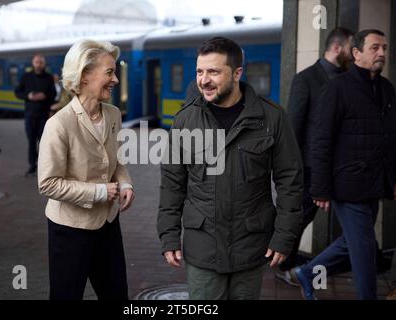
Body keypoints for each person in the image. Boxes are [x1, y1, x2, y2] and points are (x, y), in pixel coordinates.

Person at [157, 37, 303, 300]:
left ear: (237, 73)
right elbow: (172, 183)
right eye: (200, 72)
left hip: (250, 246)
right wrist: (168, 235)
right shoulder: (184, 121)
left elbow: (290, 180)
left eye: (213, 71)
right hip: (203, 248)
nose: (204, 80)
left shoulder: (272, 118)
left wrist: (284, 236)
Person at [290, 29, 396, 300]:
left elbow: (390, 138)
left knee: (354, 242)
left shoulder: (386, 89)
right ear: (357, 53)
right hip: (347, 184)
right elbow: (320, 140)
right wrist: (320, 189)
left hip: (374, 181)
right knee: (363, 251)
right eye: (374, 47)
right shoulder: (336, 88)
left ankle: (309, 272)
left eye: (384, 47)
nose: (382, 52)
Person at [38, 39, 134, 300]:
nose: (115, 79)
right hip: (70, 229)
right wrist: (100, 192)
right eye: (109, 72)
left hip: (108, 223)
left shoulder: (113, 114)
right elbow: (48, 183)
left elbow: (116, 159)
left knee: (117, 294)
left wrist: (125, 184)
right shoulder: (59, 124)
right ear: (83, 77)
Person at [275, 27, 354, 285]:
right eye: (351, 47)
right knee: (301, 216)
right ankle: (282, 262)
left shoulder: (348, 79)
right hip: (308, 166)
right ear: (336, 47)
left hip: (339, 166)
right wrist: (293, 168)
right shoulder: (305, 79)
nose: (354, 53)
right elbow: (294, 125)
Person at [15, 54, 56, 176]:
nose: (39, 64)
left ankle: (45, 166)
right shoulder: (26, 77)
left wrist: (45, 96)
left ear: (44, 64)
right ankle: (32, 165)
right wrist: (28, 96)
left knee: (44, 142)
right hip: (30, 115)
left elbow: (53, 94)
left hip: (43, 115)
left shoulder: (49, 77)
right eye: (37, 62)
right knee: (31, 141)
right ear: (33, 63)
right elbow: (17, 92)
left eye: (41, 62)